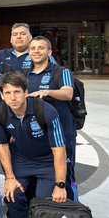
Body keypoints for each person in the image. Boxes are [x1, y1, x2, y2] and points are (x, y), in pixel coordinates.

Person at [0, 71, 68, 218]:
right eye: (7, 93)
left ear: (26, 92)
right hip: (21, 160)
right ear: (1, 95)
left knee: (43, 202)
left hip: (46, 161)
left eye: (17, 92)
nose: (13, 97)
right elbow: (2, 146)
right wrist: (9, 177)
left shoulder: (46, 110)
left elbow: (59, 150)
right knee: (13, 195)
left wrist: (60, 184)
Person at [24, 36, 77, 200]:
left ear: (49, 52)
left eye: (41, 48)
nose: (36, 51)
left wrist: (47, 92)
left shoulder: (61, 72)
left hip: (63, 133)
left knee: (66, 175)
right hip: (38, 136)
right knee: (41, 176)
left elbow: (68, 93)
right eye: (33, 48)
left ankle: (72, 208)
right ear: (29, 52)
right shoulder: (24, 75)